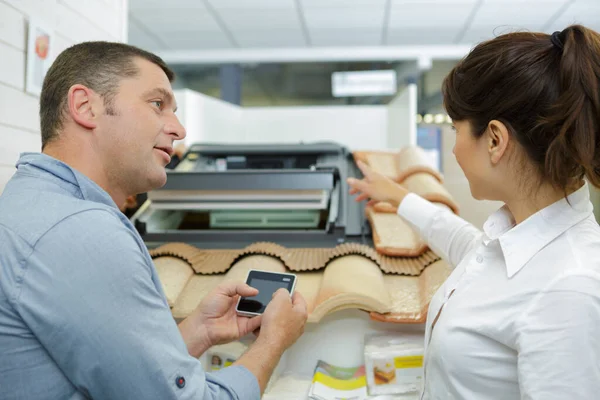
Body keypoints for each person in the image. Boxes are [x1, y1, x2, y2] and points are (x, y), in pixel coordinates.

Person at [0, 41, 307, 400]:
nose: (179, 129)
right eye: (157, 104)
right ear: (85, 107)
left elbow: (118, 374)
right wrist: (273, 342)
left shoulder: (31, 201)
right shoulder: (80, 230)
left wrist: (198, 333)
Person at [348, 25, 600, 399]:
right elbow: (464, 243)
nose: (454, 150)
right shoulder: (520, 234)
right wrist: (399, 197)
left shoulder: (568, 290)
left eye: (456, 130)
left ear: (495, 140)